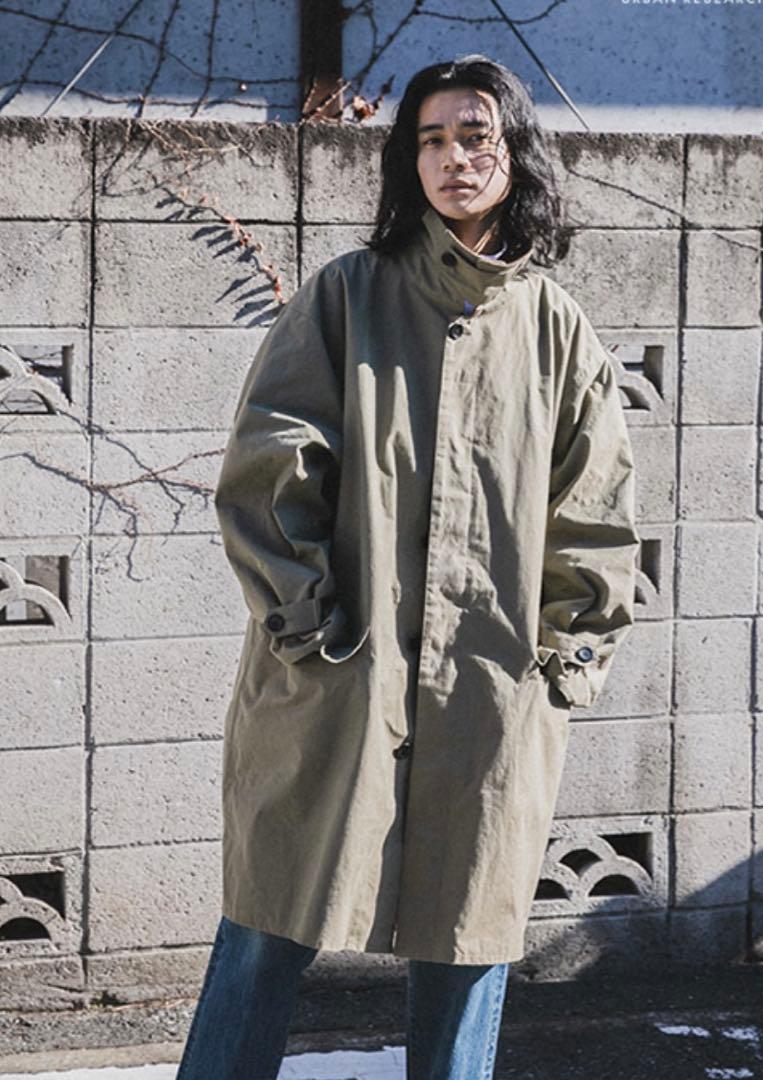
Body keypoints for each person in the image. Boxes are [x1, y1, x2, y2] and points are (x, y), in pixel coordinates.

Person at [177, 53, 639, 1080]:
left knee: (469, 938)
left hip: (492, 687)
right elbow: (267, 473)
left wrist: (562, 666)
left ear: (515, 155)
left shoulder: (555, 329)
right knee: (267, 925)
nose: (453, 158)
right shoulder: (347, 296)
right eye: (430, 140)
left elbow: (594, 516)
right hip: (341, 678)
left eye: (475, 136)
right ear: (407, 162)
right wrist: (309, 627)